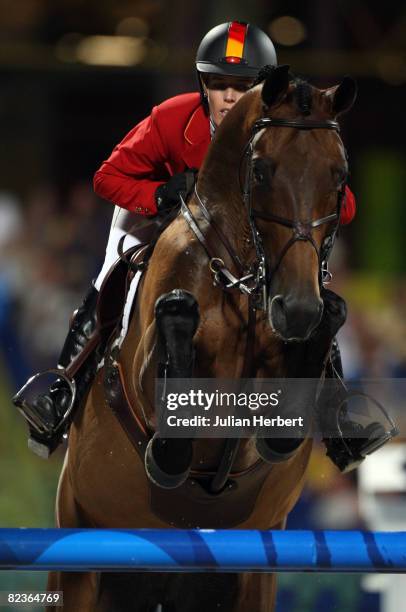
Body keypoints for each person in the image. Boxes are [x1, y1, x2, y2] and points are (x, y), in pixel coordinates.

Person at [13, 21, 389, 472]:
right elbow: (106, 178)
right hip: (160, 218)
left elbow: (342, 205)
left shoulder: (281, 131)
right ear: (202, 86)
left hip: (240, 239)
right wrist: (157, 195)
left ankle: (336, 417)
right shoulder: (172, 117)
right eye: (218, 85)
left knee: (311, 293)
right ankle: (62, 393)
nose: (230, 97)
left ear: (265, 90)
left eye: (243, 86)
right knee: (116, 275)